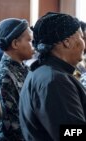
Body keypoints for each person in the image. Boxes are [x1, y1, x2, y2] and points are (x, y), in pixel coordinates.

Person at [19, 12, 86, 141]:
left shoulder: (45, 72)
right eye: (82, 37)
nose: (84, 44)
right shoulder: (55, 80)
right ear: (67, 42)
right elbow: (70, 133)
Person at [0, 18, 34, 141]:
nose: (33, 45)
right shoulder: (4, 75)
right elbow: (9, 125)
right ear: (15, 44)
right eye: (29, 40)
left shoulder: (24, 68)